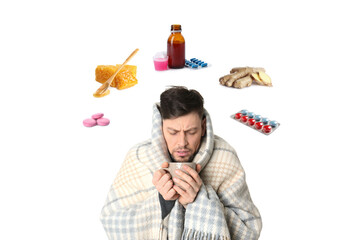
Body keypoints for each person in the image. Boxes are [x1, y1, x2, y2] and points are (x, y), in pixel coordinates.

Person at [100, 86, 262, 240]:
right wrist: (163, 202)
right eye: (173, 132)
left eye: (191, 132)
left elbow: (250, 228)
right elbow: (111, 220)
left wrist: (198, 200)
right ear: (161, 128)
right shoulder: (139, 157)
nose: (182, 142)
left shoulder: (224, 156)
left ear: (203, 127)